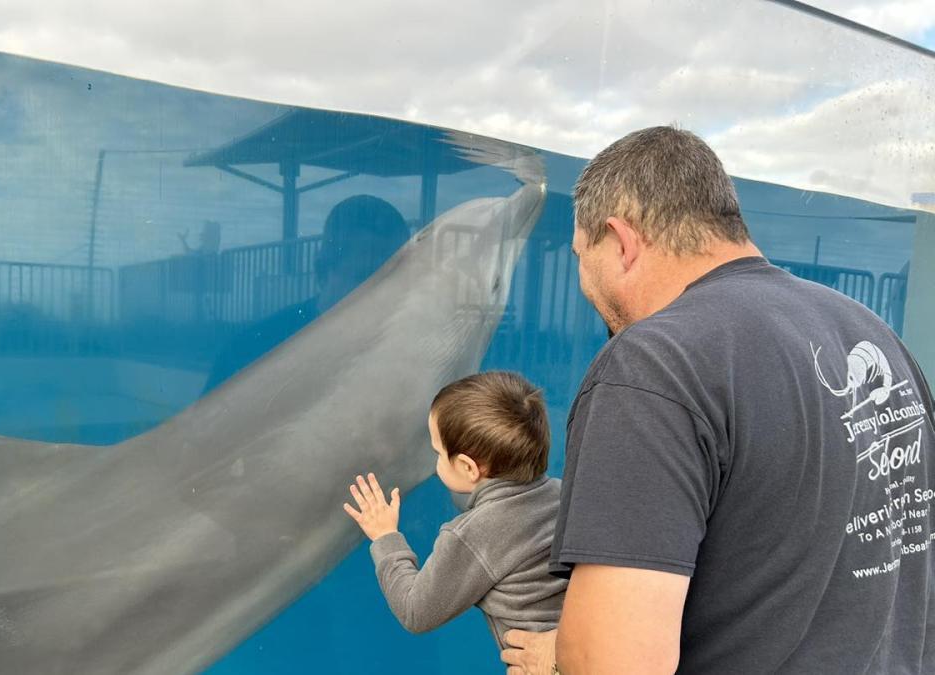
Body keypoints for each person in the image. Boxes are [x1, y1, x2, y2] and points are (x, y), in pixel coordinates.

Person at [501, 126, 935, 673]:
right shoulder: (871, 334)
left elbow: (617, 661)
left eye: (581, 257)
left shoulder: (654, 364)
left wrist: (561, 656)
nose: (585, 284)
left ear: (622, 241)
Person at [343, 371, 566, 661]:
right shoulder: (565, 495)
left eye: (437, 452)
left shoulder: (469, 537)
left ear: (468, 468)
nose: (435, 460)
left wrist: (385, 537)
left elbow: (415, 613)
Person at [203, 194, 410, 392]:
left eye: (397, 278)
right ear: (323, 271)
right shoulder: (250, 355)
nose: (386, 293)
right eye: (367, 278)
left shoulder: (409, 354)